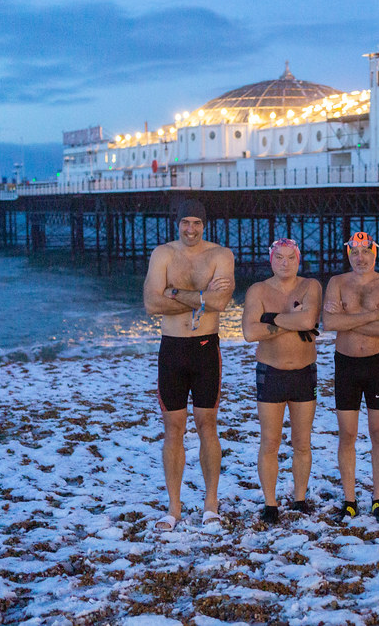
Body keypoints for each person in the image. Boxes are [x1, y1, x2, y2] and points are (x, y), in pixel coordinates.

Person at [143, 198, 235, 531]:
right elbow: (151, 304)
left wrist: (173, 291)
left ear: (204, 225)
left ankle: (211, 503)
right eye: (185, 223)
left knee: (207, 423)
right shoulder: (163, 254)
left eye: (196, 223)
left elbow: (221, 303)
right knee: (173, 428)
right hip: (172, 350)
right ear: (177, 223)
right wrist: (200, 299)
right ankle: (174, 507)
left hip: (206, 348)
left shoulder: (220, 256)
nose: (191, 229)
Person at [241, 237, 322, 525]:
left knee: (302, 442)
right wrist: (290, 319)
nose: (285, 263)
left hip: (304, 371)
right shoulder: (258, 290)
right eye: (279, 258)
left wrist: (269, 319)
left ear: (298, 259)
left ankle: (300, 499)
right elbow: (250, 333)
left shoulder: (310, 286)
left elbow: (307, 321)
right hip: (270, 371)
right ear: (270, 259)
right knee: (270, 442)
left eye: (290, 258)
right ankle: (271, 504)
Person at [322, 231, 379, 520]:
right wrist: (371, 316)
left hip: (377, 364)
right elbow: (329, 322)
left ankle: (378, 498)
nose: (360, 258)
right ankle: (350, 499)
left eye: (365, 251)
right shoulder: (337, 283)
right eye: (354, 252)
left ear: (374, 253)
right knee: (348, 434)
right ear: (348, 254)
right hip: (346, 365)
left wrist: (348, 321)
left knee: (378, 432)